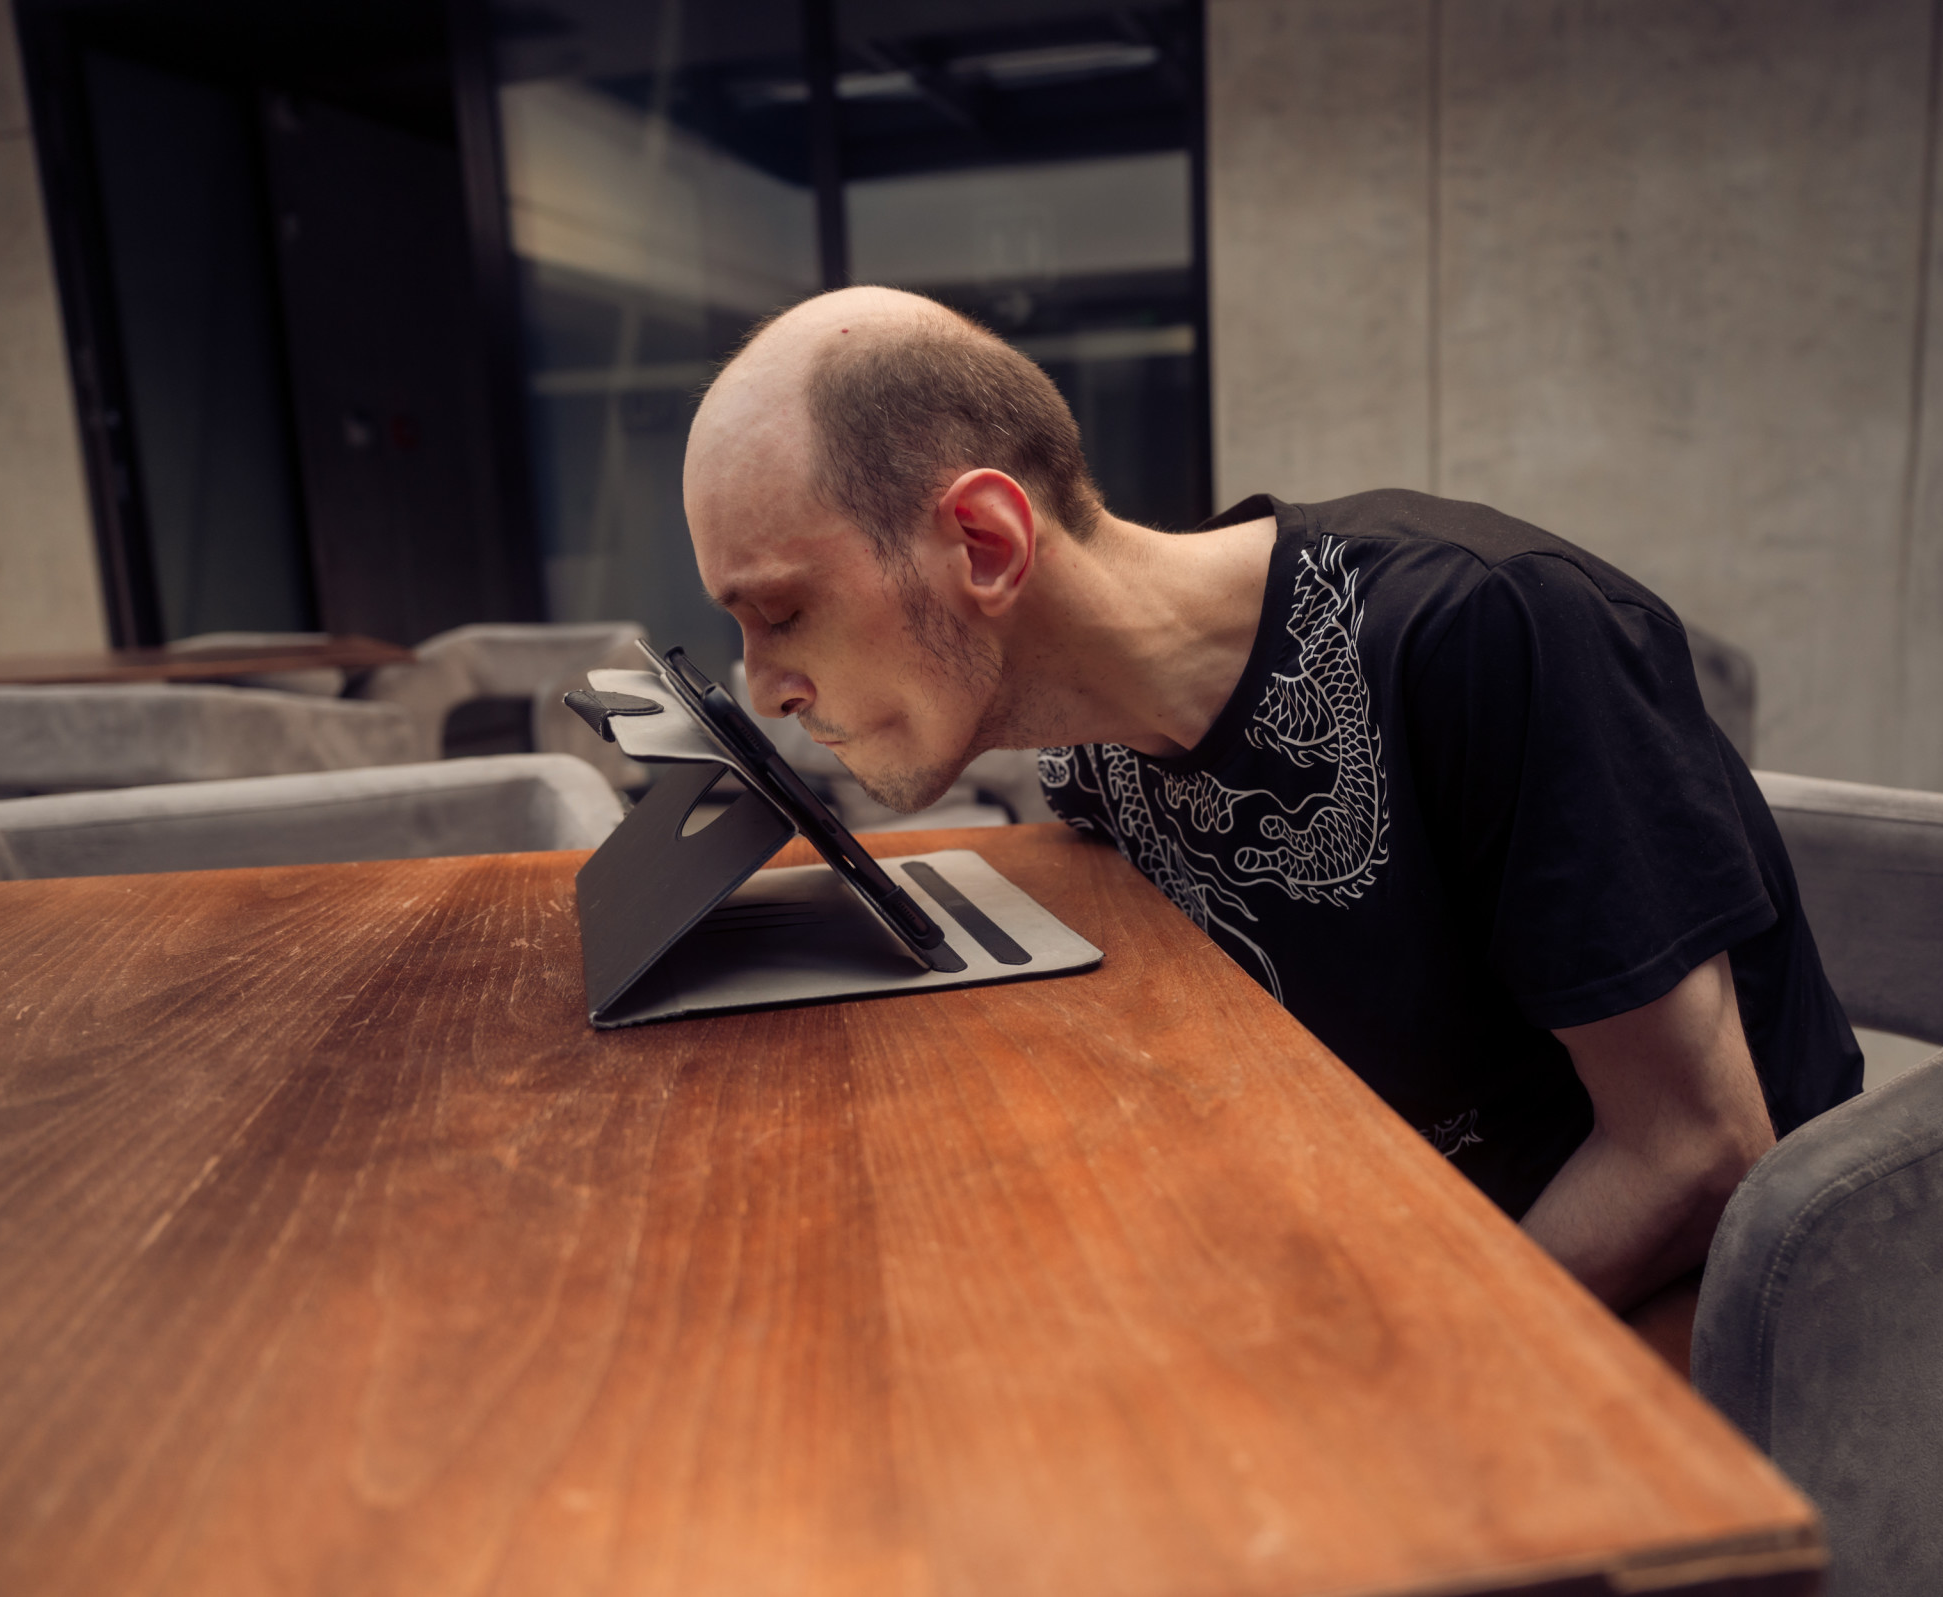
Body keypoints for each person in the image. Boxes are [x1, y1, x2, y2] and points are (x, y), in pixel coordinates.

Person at [682, 285, 1862, 1316]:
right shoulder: (1092, 754)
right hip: (1375, 1240)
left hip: (1695, 1315)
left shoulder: (1488, 634)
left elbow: (1696, 1152)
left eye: (780, 612)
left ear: (986, 543)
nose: (764, 688)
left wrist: (1379, 1374)